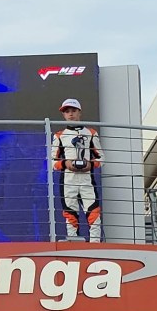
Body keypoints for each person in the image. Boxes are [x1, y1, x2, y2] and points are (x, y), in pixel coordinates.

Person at [51, 98, 104, 242]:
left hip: (87, 180)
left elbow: (101, 158)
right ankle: (73, 245)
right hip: (68, 180)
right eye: (67, 111)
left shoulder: (91, 133)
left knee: (94, 212)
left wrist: (90, 165)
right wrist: (66, 163)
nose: (70, 114)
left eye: (73, 111)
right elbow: (52, 161)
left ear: (79, 112)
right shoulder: (59, 135)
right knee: (70, 214)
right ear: (63, 114)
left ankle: (95, 244)